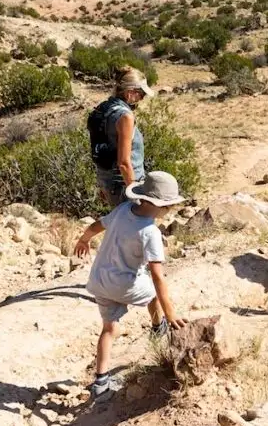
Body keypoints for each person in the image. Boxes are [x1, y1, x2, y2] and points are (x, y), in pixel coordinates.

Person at [73, 171, 188, 401]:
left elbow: (97, 225)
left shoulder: (123, 210)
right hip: (125, 284)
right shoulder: (150, 232)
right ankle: (159, 327)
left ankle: (101, 382)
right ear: (163, 207)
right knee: (154, 294)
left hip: (100, 280)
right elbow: (157, 276)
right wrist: (170, 311)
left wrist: (83, 239)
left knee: (109, 330)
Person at [88, 67, 153, 208]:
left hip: (107, 180)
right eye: (141, 94)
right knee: (135, 225)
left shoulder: (102, 108)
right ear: (130, 93)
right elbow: (124, 162)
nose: (142, 99)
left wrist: (102, 183)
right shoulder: (125, 117)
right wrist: (135, 194)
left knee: (119, 223)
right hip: (124, 184)